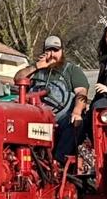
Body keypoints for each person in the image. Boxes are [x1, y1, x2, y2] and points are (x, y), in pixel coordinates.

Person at [15, 35, 89, 163]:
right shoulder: (37, 70)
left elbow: (81, 93)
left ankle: (58, 163)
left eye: (56, 50)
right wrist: (37, 66)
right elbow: (17, 79)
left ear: (62, 51)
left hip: (61, 119)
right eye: (49, 50)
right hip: (36, 118)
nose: (52, 54)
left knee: (76, 124)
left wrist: (77, 112)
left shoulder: (71, 70)